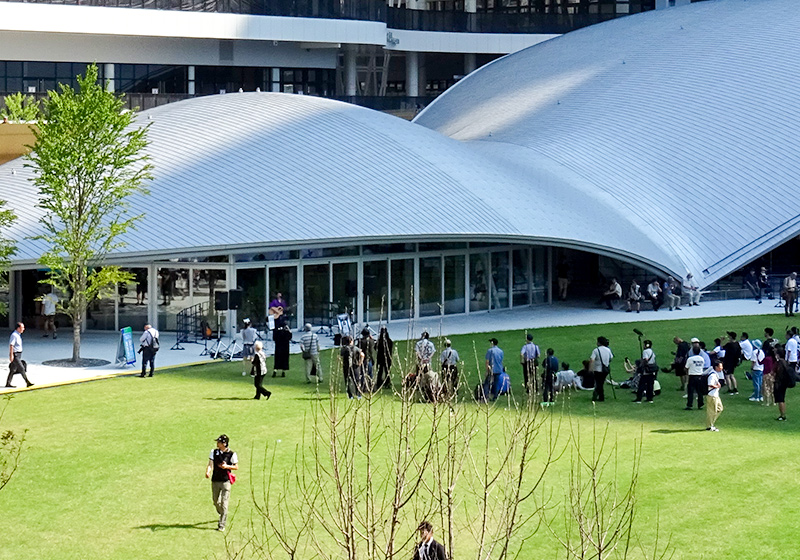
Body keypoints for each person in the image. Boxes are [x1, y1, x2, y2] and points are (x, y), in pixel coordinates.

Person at [205, 434, 238, 531]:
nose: (217, 444)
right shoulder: (214, 452)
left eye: (219, 442)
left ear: (224, 444)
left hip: (225, 481)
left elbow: (236, 466)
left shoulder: (231, 454)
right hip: (215, 480)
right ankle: (223, 513)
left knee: (224, 503)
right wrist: (208, 471)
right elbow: (210, 464)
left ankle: (221, 524)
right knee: (216, 501)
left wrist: (227, 466)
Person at [6, 323, 32, 388]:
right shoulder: (14, 335)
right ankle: (27, 382)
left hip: (19, 354)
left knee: (13, 370)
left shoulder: (18, 335)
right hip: (15, 354)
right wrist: (11, 355)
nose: (23, 329)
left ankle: (8, 383)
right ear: (18, 328)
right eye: (22, 327)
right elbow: (11, 345)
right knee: (21, 368)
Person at [589, 336, 613, 402]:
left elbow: (592, 360)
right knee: (601, 382)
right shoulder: (608, 350)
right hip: (605, 369)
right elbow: (611, 358)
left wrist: (590, 368)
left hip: (598, 369)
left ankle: (600, 396)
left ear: (599, 342)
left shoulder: (596, 350)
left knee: (599, 383)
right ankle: (599, 395)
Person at [684, 346, 706, 410]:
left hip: (692, 376)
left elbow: (686, 368)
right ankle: (700, 404)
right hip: (700, 376)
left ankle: (689, 405)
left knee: (690, 391)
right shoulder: (702, 359)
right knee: (700, 391)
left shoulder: (690, 359)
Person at [706, 362, 724, 432]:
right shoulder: (712, 375)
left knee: (720, 408)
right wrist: (717, 386)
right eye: (720, 367)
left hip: (716, 395)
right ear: (716, 367)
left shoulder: (716, 374)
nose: (721, 368)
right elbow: (710, 384)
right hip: (712, 395)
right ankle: (710, 426)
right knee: (712, 411)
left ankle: (711, 424)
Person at [773, 356, 792, 421]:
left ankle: (782, 415)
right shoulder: (785, 364)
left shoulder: (778, 364)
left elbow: (773, 372)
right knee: (782, 399)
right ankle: (782, 414)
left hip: (779, 384)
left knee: (780, 400)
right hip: (784, 384)